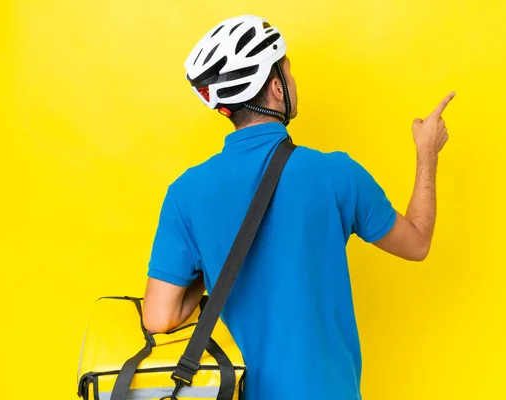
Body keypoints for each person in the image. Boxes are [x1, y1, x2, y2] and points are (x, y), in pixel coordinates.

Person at [142, 14, 456, 400]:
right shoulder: (336, 174)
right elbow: (417, 243)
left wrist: (210, 261)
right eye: (289, 72)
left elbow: (159, 317)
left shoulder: (185, 193)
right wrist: (427, 153)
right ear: (276, 88)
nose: (293, 81)